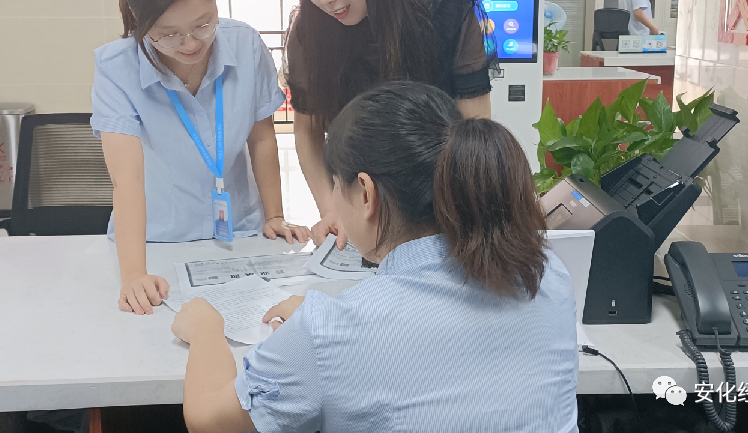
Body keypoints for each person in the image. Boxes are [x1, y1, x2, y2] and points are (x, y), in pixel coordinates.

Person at [171, 81, 580, 433]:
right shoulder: (548, 276)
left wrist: (207, 330)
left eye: (335, 184)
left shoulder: (330, 331)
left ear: (366, 194)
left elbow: (209, 420)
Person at [92, 0, 310, 316]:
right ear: (140, 20)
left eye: (203, 24)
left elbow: (261, 137)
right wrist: (134, 275)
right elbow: (127, 179)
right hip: (158, 239)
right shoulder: (116, 68)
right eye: (168, 33)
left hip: (241, 234)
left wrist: (274, 215)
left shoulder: (244, 43)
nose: (191, 43)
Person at [281, 0, 495, 249]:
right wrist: (332, 209)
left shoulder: (450, 15)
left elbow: (473, 134)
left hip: (438, 211)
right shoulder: (311, 30)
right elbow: (307, 130)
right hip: (357, 210)